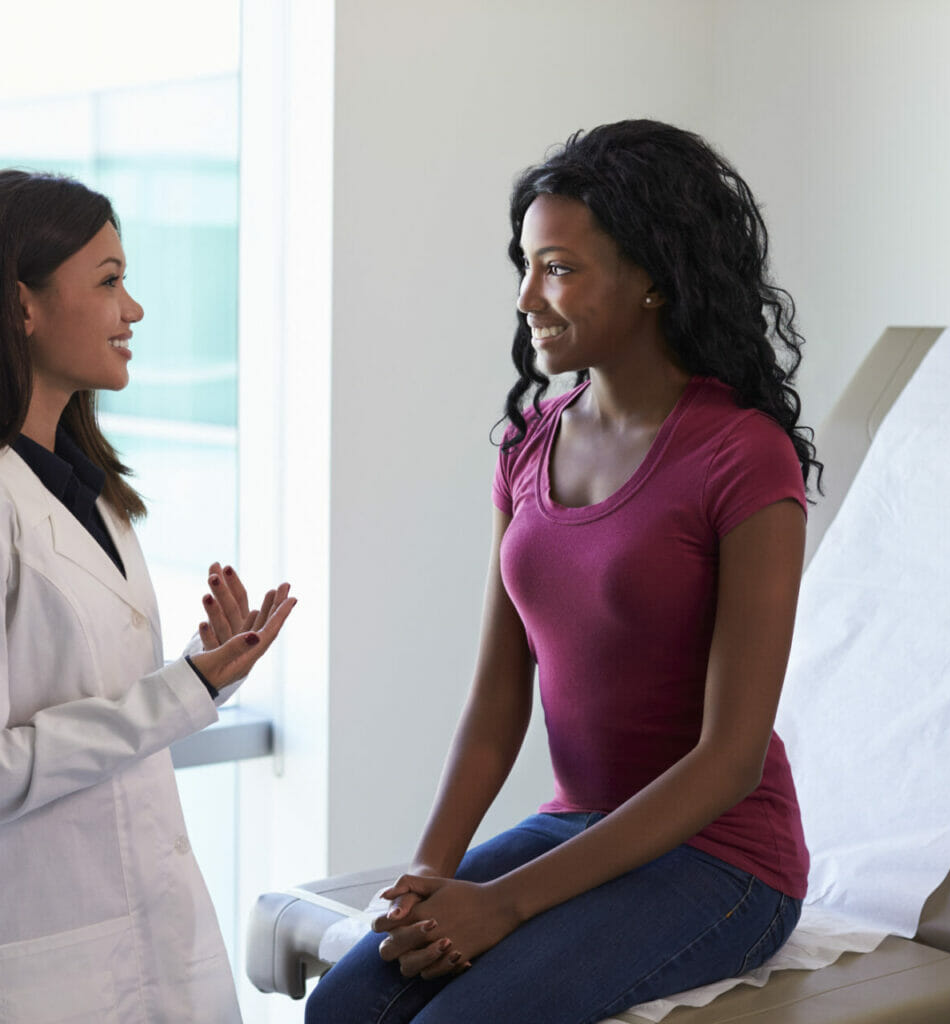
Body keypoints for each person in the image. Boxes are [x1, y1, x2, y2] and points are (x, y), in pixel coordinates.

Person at [306, 120, 822, 1024]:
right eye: (526, 264)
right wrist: (428, 877)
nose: (526, 297)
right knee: (345, 1009)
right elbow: (498, 702)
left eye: (559, 267)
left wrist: (502, 903)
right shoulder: (527, 446)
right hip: (579, 825)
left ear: (655, 280)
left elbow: (731, 761)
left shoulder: (744, 456)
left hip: (726, 859)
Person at [0, 169, 295, 1024]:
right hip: (43, 972)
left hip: (151, 937)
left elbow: (95, 707)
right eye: (109, 282)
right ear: (20, 306)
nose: (132, 311)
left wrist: (208, 673)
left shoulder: (86, 494)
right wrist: (185, 691)